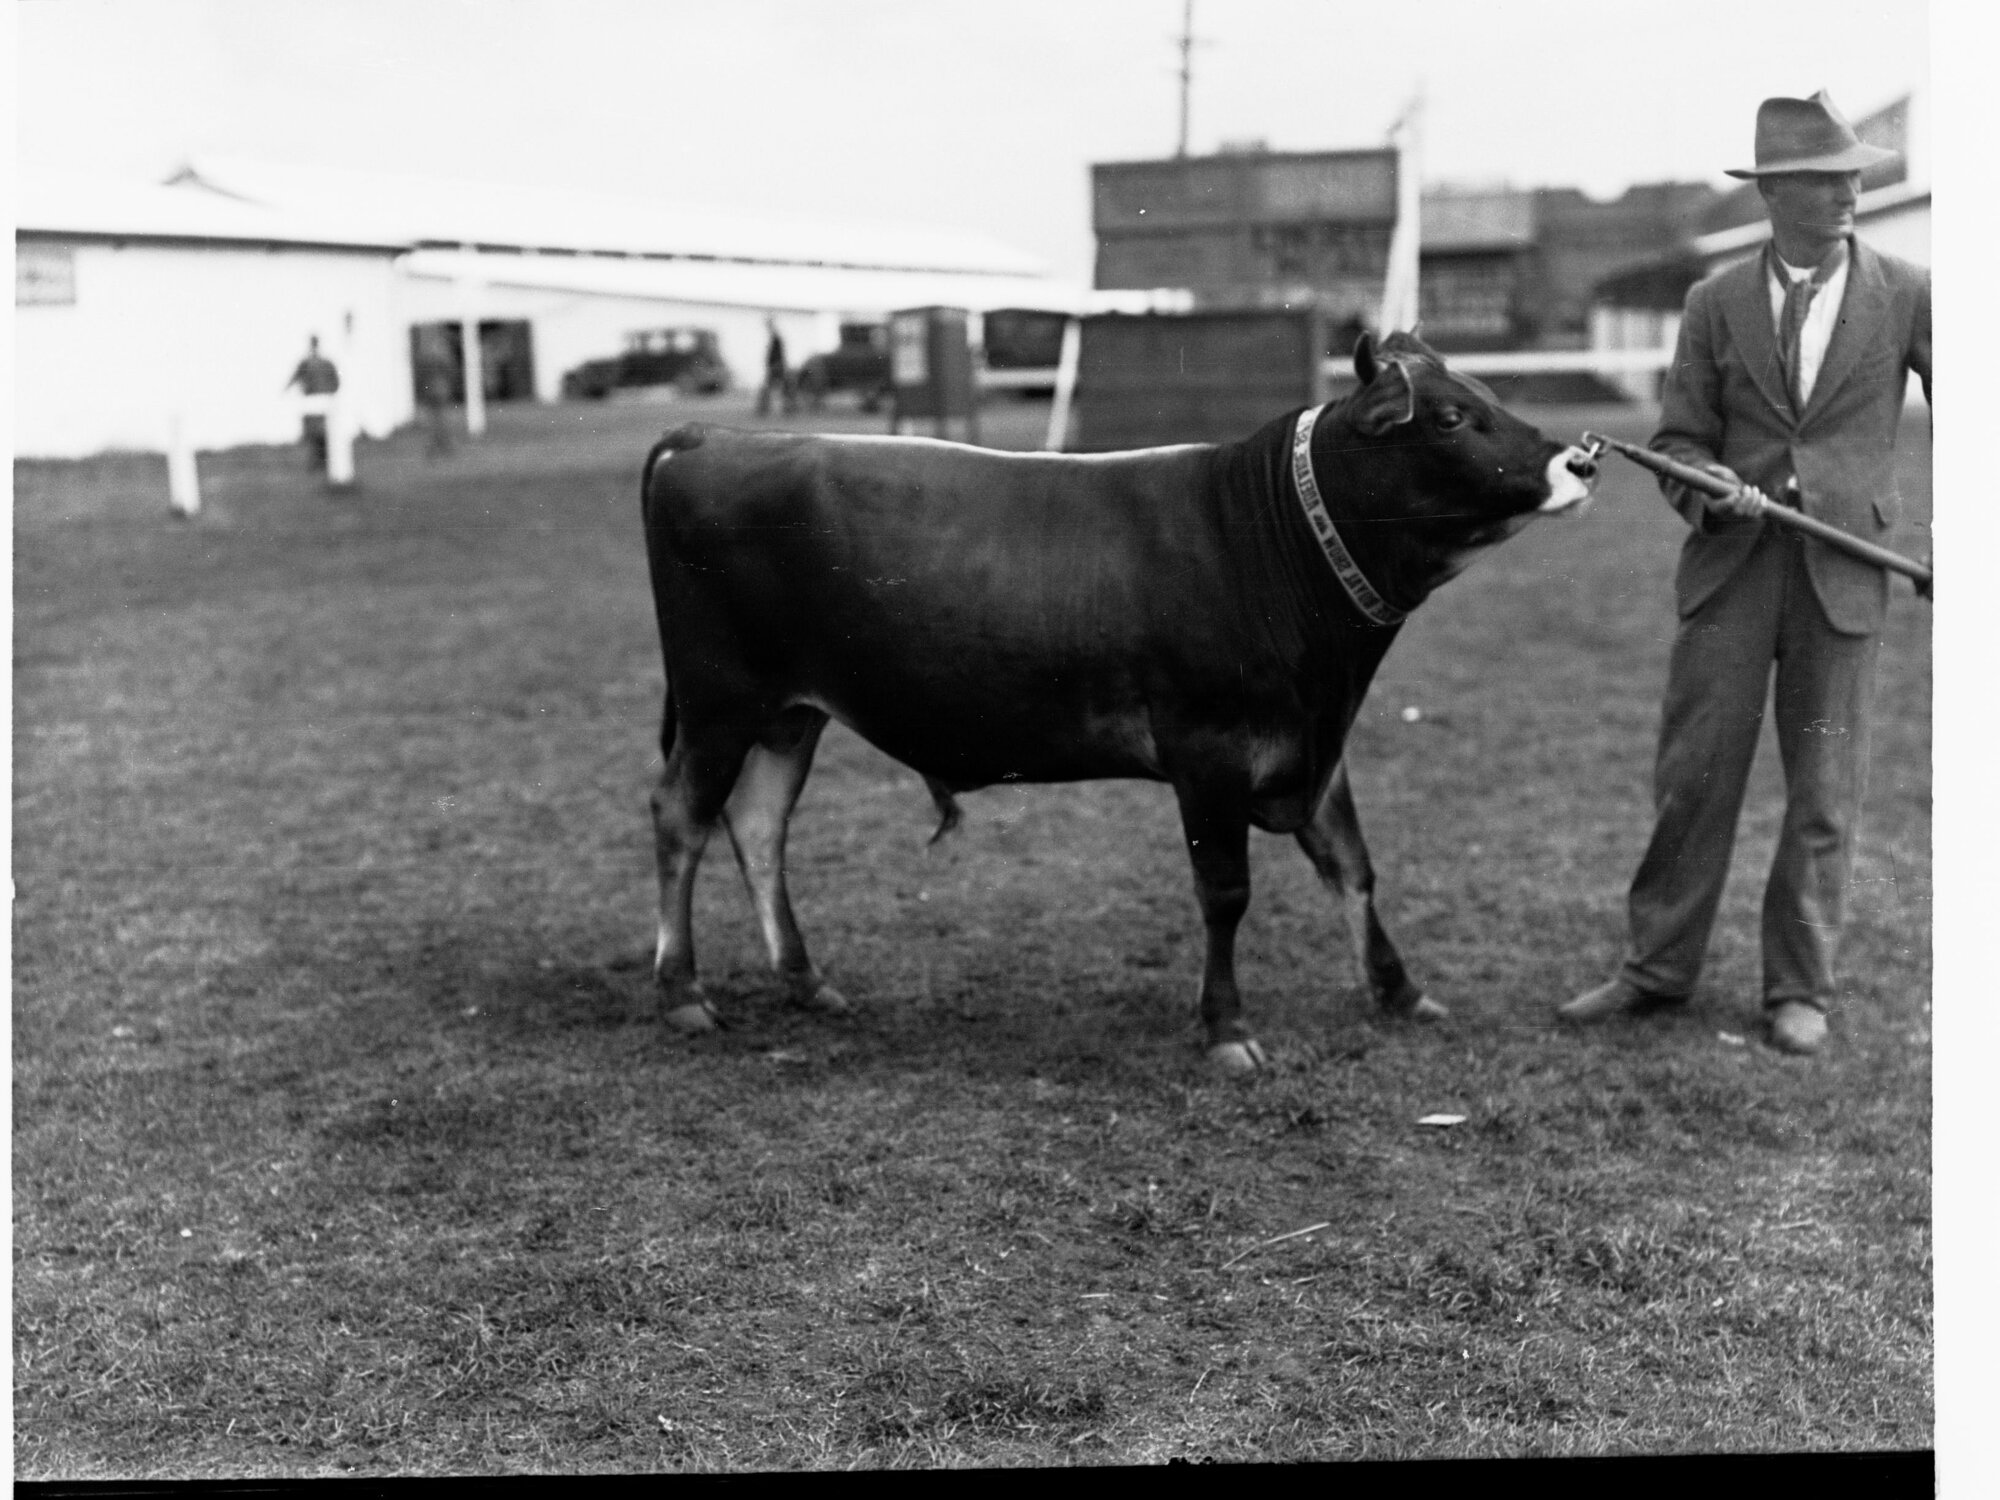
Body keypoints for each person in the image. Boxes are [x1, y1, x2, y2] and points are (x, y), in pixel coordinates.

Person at [1559, 90, 1931, 1056]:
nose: (1849, 191)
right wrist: (1709, 483)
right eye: (1824, 179)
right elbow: (1678, 437)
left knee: (1823, 790)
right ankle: (1657, 970)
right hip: (1731, 578)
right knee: (1696, 778)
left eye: (1853, 174)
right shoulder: (1713, 302)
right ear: (1774, 192)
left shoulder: (1908, 290)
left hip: (1846, 579)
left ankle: (1798, 989)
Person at [285, 335, 341, 468]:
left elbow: (336, 381)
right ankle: (319, 461)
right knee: (316, 433)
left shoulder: (314, 362)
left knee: (318, 432)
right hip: (317, 401)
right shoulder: (322, 362)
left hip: (316, 401)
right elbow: (336, 381)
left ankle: (320, 462)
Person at [413, 328, 457, 457]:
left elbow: (420, 376)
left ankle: (437, 447)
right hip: (440, 390)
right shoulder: (442, 355)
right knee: (441, 419)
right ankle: (443, 446)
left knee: (435, 420)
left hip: (432, 391)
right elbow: (450, 371)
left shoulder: (425, 356)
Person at [756, 316, 794, 416]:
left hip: (776, 366)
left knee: (771, 388)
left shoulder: (776, 337)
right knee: (780, 389)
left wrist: (773, 365)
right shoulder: (775, 337)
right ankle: (787, 409)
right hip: (777, 366)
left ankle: (764, 409)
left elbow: (777, 354)